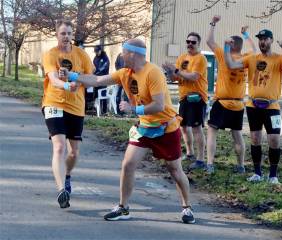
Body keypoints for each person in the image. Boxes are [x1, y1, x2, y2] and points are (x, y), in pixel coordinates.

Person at [70, 38, 195, 224]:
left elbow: (159, 105)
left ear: (133, 54)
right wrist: (74, 77)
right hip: (144, 128)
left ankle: (187, 208)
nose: (121, 55)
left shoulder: (153, 73)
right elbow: (96, 80)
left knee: (175, 170)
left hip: (166, 127)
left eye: (123, 52)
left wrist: (133, 109)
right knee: (128, 165)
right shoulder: (124, 73)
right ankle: (123, 207)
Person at [224, 29, 282, 184]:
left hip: (272, 107)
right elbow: (230, 64)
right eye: (260, 39)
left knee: (274, 140)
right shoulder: (252, 58)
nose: (262, 42)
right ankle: (257, 173)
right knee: (255, 139)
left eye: (265, 39)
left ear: (271, 40)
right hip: (253, 106)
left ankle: (273, 175)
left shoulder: (278, 58)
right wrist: (226, 48)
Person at [41, 19, 94, 208]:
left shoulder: (81, 55)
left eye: (69, 33)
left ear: (73, 35)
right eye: (63, 33)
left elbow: (91, 79)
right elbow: (53, 79)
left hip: (76, 107)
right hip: (54, 103)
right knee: (59, 147)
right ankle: (61, 189)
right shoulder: (50, 55)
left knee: (74, 152)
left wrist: (77, 81)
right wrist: (65, 85)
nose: (66, 37)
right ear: (57, 35)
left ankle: (67, 176)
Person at [204, 15, 256, 173]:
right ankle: (240, 166)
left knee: (212, 131)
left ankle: (210, 164)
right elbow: (255, 49)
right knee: (237, 135)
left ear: (231, 44)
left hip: (222, 102)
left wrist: (213, 23)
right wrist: (246, 35)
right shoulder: (247, 58)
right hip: (239, 103)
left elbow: (209, 42)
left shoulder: (223, 54)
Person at [162, 32, 208, 170]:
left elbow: (194, 77)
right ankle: (190, 153)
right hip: (184, 98)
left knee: (196, 128)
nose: (190, 44)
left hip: (197, 98)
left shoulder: (201, 59)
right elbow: (175, 78)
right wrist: (169, 72)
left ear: (198, 44)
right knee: (183, 126)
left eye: (193, 42)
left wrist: (176, 70)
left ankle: (201, 159)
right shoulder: (182, 57)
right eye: (188, 41)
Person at [93, 45, 110, 114]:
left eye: (97, 51)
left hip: (104, 78)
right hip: (96, 79)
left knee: (103, 94)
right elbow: (93, 66)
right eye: (95, 52)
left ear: (100, 50)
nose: (96, 53)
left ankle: (104, 110)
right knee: (96, 95)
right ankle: (97, 110)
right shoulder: (95, 58)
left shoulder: (105, 58)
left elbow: (104, 67)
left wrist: (97, 72)